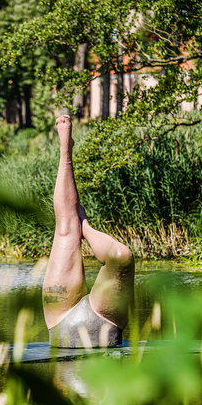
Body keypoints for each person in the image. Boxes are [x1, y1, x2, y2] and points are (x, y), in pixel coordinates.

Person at [42, 115, 135, 348]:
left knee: (122, 256)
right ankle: (66, 152)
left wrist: (84, 228)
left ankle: (84, 226)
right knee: (66, 227)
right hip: (62, 320)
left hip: (103, 320)